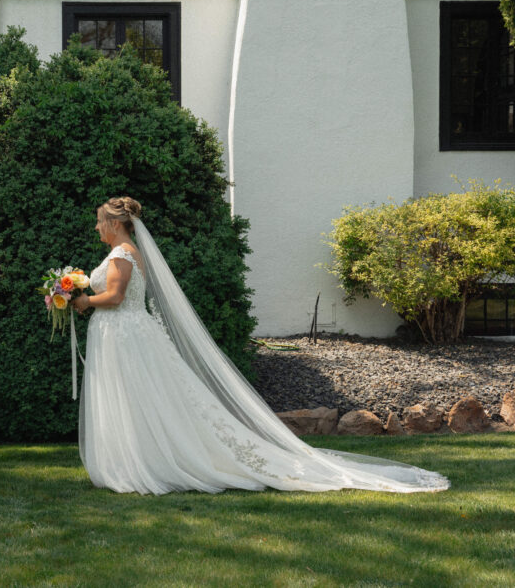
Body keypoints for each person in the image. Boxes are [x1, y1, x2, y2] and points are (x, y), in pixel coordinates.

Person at [72, 197, 449, 495]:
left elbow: (117, 296)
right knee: (134, 399)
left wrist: (84, 300)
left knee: (134, 398)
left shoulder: (122, 254)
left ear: (116, 223)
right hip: (124, 335)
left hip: (126, 333)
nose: (97, 226)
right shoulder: (122, 253)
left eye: (100, 220)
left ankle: (146, 464)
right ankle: (135, 459)